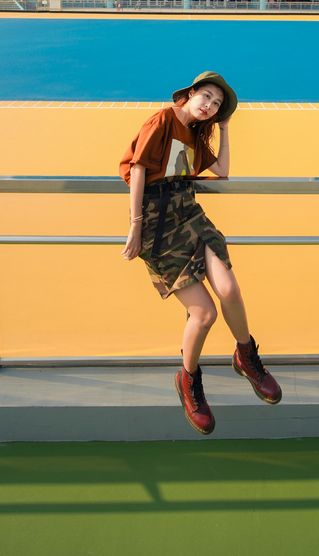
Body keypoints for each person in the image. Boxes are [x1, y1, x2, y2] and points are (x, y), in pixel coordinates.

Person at [119, 71, 281, 435]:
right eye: (206, 97)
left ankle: (246, 356)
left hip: (189, 213)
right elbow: (140, 167)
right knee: (204, 313)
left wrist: (223, 128)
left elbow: (221, 172)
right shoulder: (163, 120)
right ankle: (188, 380)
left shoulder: (195, 132)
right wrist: (135, 224)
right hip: (158, 225)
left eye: (217, 104)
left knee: (229, 289)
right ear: (190, 93)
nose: (209, 106)